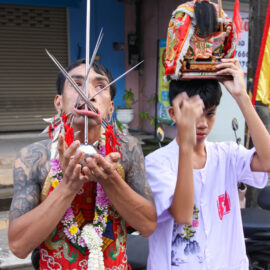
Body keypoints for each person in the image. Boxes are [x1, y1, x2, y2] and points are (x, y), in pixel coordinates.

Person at [8, 59, 157, 269]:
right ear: (58, 102)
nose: (88, 94)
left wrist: (111, 181)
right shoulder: (33, 158)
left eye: (100, 86)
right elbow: (18, 246)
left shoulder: (127, 150)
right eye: (76, 84)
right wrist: (67, 186)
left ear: (111, 107)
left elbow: (148, 225)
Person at [145, 58, 270, 270]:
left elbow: (266, 162)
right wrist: (185, 143)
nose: (203, 124)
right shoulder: (157, 163)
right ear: (173, 114)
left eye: (210, 114)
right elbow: (182, 215)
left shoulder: (227, 155)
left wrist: (242, 97)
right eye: (194, 115)